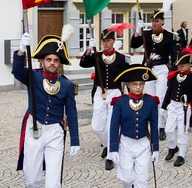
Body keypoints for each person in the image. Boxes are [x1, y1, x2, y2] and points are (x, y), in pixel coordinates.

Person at [12, 29, 80, 188]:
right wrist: (21, 49)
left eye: (56, 60)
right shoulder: (33, 77)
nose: (52, 63)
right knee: (32, 178)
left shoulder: (67, 85)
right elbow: (17, 70)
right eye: (48, 59)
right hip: (34, 128)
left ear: (59, 63)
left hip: (55, 133)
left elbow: (71, 112)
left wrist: (75, 140)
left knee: (54, 182)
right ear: (42, 61)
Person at [79, 28, 129, 170]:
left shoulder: (120, 57)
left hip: (115, 93)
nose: (105, 43)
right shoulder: (97, 55)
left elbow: (128, 75)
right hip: (100, 92)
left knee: (111, 125)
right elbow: (83, 63)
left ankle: (110, 156)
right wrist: (89, 49)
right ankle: (108, 144)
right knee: (96, 126)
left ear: (113, 41)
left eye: (108, 41)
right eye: (103, 41)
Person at [130, 7, 177, 141]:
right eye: (153, 21)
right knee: (150, 98)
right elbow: (134, 44)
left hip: (162, 69)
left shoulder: (169, 36)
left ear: (162, 21)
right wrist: (138, 31)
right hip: (148, 69)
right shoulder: (146, 34)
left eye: (157, 21)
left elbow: (173, 55)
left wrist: (173, 71)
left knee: (160, 98)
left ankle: (161, 126)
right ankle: (152, 126)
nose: (154, 23)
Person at [109, 64, 159, 188]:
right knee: (126, 179)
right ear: (128, 85)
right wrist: (113, 149)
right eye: (134, 84)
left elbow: (154, 126)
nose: (138, 87)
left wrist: (156, 148)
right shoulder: (120, 102)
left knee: (142, 180)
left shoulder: (151, 102)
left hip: (143, 144)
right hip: (126, 144)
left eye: (141, 84)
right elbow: (114, 127)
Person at [162, 47, 192, 167]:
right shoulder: (173, 76)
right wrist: (164, 106)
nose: (180, 67)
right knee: (168, 129)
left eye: (183, 65)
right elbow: (169, 92)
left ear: (189, 64)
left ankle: (182, 155)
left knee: (182, 131)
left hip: (184, 107)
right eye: (179, 65)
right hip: (173, 105)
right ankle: (173, 147)